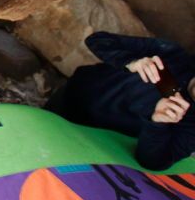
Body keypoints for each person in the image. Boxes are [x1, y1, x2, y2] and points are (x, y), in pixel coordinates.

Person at [45, 31, 195, 170]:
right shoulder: (173, 55)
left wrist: (158, 123)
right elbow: (98, 40)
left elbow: (155, 162)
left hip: (91, 137)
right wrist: (131, 62)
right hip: (72, 96)